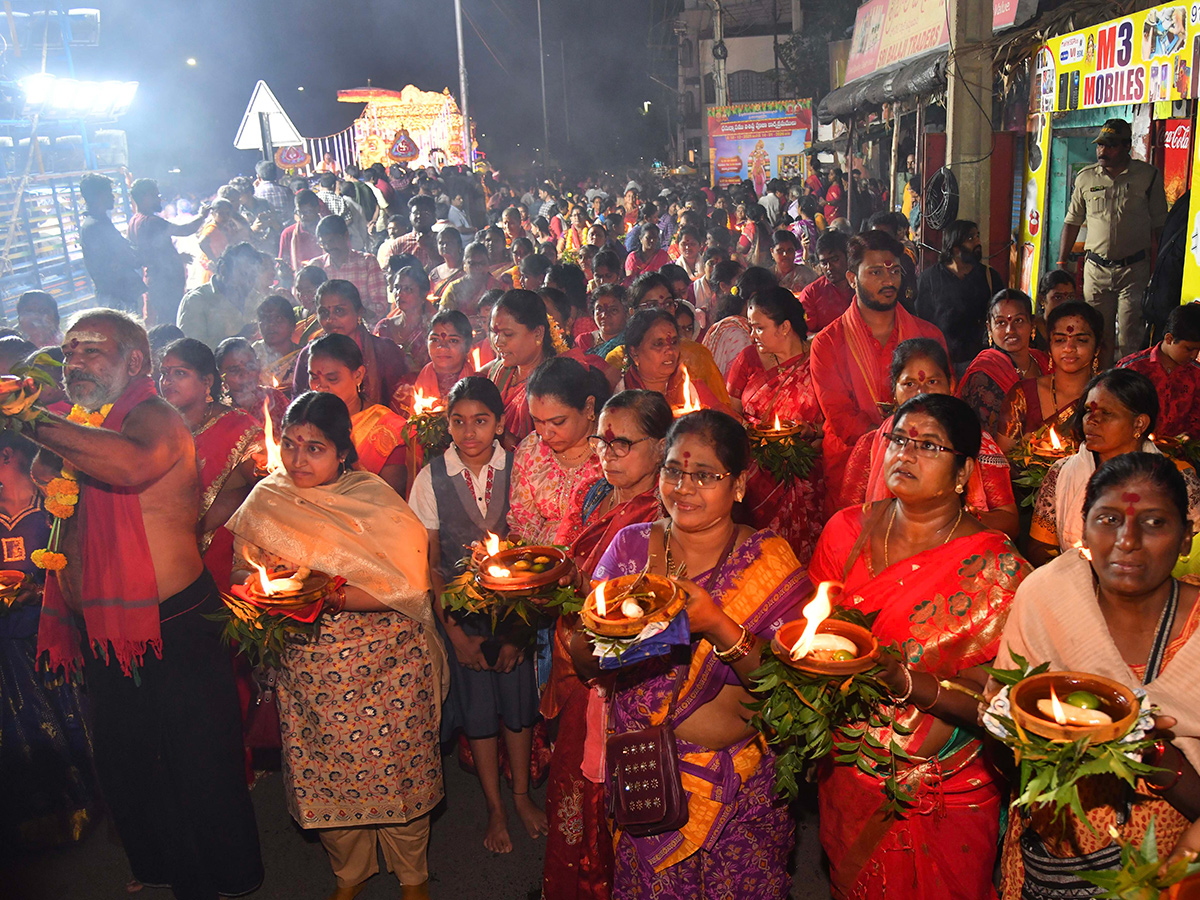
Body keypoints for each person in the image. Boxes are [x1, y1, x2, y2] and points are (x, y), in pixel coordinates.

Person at [30, 309, 262, 899]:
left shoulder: (154, 418)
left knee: (196, 759)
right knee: (127, 759)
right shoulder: (74, 426)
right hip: (103, 629)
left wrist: (29, 418)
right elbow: (49, 486)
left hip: (174, 620)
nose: (74, 360)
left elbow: (129, 465)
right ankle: (158, 860)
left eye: (92, 350)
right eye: (69, 350)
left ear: (134, 362)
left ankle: (219, 877)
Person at [569, 410, 805, 897]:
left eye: (705, 475)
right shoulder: (630, 548)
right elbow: (581, 653)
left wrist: (717, 625)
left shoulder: (769, 561)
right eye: (674, 470)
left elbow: (790, 687)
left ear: (739, 484)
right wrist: (620, 633)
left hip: (739, 790)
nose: (684, 487)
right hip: (645, 773)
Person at [808, 393, 1032, 900]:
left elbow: (1002, 706)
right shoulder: (845, 531)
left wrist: (904, 681)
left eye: (928, 445)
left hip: (945, 786)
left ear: (963, 473)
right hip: (847, 767)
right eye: (899, 439)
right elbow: (816, 643)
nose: (905, 454)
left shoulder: (998, 569)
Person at [227, 391, 441, 900]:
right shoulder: (267, 499)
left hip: (387, 662)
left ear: (343, 451)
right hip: (310, 672)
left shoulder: (374, 500)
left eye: (315, 448)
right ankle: (350, 872)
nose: (298, 460)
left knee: (399, 766)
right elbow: (240, 568)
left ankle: (413, 875)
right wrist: (263, 586)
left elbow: (409, 587)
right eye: (291, 445)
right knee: (327, 770)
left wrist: (331, 596)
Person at [994, 452, 1200, 900]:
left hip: (1163, 869)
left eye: (1154, 523)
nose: (1127, 540)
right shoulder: (1047, 596)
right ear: (1082, 528)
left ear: (1186, 538)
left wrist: (1150, 749)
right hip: (1045, 858)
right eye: (1108, 519)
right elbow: (1004, 744)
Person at [542, 390, 671, 900]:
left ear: (661, 448)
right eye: (602, 440)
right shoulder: (593, 494)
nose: (608, 453)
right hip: (571, 655)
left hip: (613, 673)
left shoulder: (662, 519)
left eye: (623, 444)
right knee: (569, 781)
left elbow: (647, 617)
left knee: (604, 793)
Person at [408, 376, 541, 855]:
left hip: (516, 615)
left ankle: (522, 795)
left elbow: (536, 548)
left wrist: (520, 633)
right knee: (480, 714)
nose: (469, 432)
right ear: (446, 424)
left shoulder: (520, 467)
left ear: (500, 422)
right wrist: (454, 634)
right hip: (460, 620)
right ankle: (495, 806)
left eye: (481, 420)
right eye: (458, 421)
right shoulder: (431, 478)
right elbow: (430, 561)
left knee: (519, 710)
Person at [0, 428, 97, 848]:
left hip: (56, 629)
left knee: (74, 713)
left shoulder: (56, 505)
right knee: (22, 721)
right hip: (7, 635)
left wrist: (37, 590)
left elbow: (80, 565)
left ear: (9, 454)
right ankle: (45, 808)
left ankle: (95, 801)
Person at [810, 230, 947, 510]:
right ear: (852, 279)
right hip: (851, 473)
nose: (888, 281)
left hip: (919, 468)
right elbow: (841, 418)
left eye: (894, 271)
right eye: (875, 273)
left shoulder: (929, 337)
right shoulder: (827, 343)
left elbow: (944, 406)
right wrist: (895, 441)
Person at [845, 337, 1020, 539]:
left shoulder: (977, 443)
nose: (922, 392)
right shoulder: (871, 445)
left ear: (951, 385)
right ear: (894, 390)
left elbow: (1010, 522)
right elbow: (850, 521)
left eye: (933, 382)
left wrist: (964, 520)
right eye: (909, 383)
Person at [1029, 368, 1200, 564]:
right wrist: (1080, 571)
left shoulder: (1176, 478)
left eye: (1106, 413)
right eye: (1087, 411)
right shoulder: (1062, 472)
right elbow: (1039, 548)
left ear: (1139, 424)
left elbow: (1193, 554)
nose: (1091, 420)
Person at [726, 286, 825, 562]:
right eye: (751, 327)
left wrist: (811, 433)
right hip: (752, 480)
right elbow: (729, 411)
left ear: (784, 327)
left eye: (758, 327)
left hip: (803, 480)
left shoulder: (818, 362)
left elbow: (833, 426)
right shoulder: (748, 359)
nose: (751, 334)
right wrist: (749, 434)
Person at [1058, 118, 1168, 364]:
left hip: (1134, 270)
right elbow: (1072, 221)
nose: (1102, 151)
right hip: (1096, 271)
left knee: (1130, 335)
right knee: (1099, 335)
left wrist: (1162, 267)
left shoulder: (1147, 176)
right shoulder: (1086, 179)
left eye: (1110, 146)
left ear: (1127, 146)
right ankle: (1100, 386)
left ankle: (1126, 387)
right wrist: (1061, 261)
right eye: (1100, 146)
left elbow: (1160, 223)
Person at [158, 338, 261, 591]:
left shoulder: (238, 427)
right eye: (163, 373)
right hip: (165, 554)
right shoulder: (156, 427)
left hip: (223, 555)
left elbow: (267, 491)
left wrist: (231, 501)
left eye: (179, 373)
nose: (167, 381)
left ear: (207, 381)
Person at [508, 356, 605, 547]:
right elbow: (522, 526)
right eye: (537, 421)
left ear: (588, 407)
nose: (545, 433)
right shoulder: (530, 450)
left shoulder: (610, 452)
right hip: (542, 564)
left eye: (558, 422)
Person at [307, 333, 408, 495]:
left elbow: (389, 501)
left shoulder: (389, 429)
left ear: (358, 375)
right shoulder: (304, 421)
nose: (320, 387)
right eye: (313, 378)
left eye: (332, 378)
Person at [999, 300, 1103, 451]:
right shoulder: (1023, 396)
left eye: (1081, 340)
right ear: (1049, 347)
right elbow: (1001, 462)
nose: (1069, 348)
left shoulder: (1109, 397)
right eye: (1060, 340)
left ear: (1097, 348)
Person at [292, 279, 408, 411]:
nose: (330, 319)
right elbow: (299, 407)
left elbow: (401, 403)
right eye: (324, 312)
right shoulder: (309, 356)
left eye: (339, 311)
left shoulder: (384, 350)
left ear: (359, 312)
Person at [957, 289, 1053, 434]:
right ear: (990, 328)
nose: (1010, 330)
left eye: (1018, 320)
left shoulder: (1044, 362)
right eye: (1001, 323)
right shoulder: (984, 374)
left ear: (1032, 324)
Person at [914, 219, 1001, 372]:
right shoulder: (930, 278)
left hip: (980, 361)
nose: (978, 242)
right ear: (955, 248)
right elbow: (921, 321)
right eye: (970, 238)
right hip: (942, 362)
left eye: (977, 236)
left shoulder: (989, 276)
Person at [127, 178, 207, 326]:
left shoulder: (134, 221)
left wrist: (175, 257)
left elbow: (152, 251)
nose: (161, 199)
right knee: (170, 323)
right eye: (156, 196)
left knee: (160, 321)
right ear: (146, 197)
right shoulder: (151, 221)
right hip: (165, 284)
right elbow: (185, 230)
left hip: (154, 280)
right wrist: (203, 216)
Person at [617, 309, 729, 415]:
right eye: (658, 344)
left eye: (674, 342)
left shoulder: (695, 389)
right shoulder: (622, 398)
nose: (670, 350)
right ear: (634, 352)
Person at [1117, 302, 1200, 439]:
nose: (1193, 356)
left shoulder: (1196, 374)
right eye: (1189, 349)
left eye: (1198, 350)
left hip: (1182, 454)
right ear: (1169, 339)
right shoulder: (1132, 369)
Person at [485, 289, 558, 443]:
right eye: (494, 332)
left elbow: (548, 448)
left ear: (538, 333)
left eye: (508, 334)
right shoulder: (499, 371)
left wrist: (497, 434)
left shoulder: (554, 382)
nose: (498, 342)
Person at [78, 172, 144, 313]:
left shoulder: (99, 223)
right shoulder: (96, 226)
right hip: (117, 296)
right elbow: (128, 256)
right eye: (109, 192)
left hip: (118, 294)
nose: (113, 196)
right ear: (98, 196)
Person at [176, 242, 261, 349]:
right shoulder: (196, 301)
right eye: (243, 275)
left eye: (252, 277)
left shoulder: (255, 298)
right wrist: (238, 339)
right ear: (223, 269)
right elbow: (191, 351)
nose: (248, 283)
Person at [308, 215, 389, 325]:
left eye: (332, 240)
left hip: (361, 330)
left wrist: (353, 313)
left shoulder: (367, 262)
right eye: (323, 243)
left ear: (345, 236)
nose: (328, 246)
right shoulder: (317, 266)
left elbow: (379, 306)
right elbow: (309, 304)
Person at [215, 337, 287, 426]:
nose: (245, 374)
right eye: (234, 370)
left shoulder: (274, 397)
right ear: (221, 375)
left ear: (258, 364)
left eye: (250, 366)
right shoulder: (218, 410)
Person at [376, 262, 434, 373]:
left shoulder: (432, 329)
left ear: (423, 295)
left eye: (408, 289)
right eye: (397, 288)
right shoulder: (384, 327)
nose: (400, 294)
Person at [797, 230, 854, 335]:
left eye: (835, 259)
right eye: (824, 263)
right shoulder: (811, 294)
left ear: (849, 257)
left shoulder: (864, 285)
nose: (829, 267)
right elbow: (803, 334)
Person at [413, 309, 475, 404]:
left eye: (453, 340)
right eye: (435, 340)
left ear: (468, 346)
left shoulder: (480, 388)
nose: (442, 347)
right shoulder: (408, 387)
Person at [251, 294, 301, 384]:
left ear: (292, 324)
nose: (270, 324)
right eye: (264, 318)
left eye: (278, 318)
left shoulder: (303, 357)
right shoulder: (254, 352)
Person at [278, 189, 322, 275]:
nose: (302, 216)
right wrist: (284, 271)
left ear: (317, 209)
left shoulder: (328, 231)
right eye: (299, 212)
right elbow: (282, 267)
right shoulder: (288, 234)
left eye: (307, 212)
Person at [581, 283, 629, 359]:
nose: (604, 315)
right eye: (599, 309)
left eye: (613, 310)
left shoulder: (631, 343)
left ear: (626, 313)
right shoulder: (583, 341)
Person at [771, 230, 815, 295]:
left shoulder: (808, 275)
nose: (785, 254)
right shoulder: (768, 276)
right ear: (772, 252)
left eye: (790, 250)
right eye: (780, 250)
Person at [430, 227, 465, 298]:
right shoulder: (434, 273)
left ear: (459, 245)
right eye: (441, 243)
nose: (445, 246)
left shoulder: (466, 270)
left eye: (450, 243)